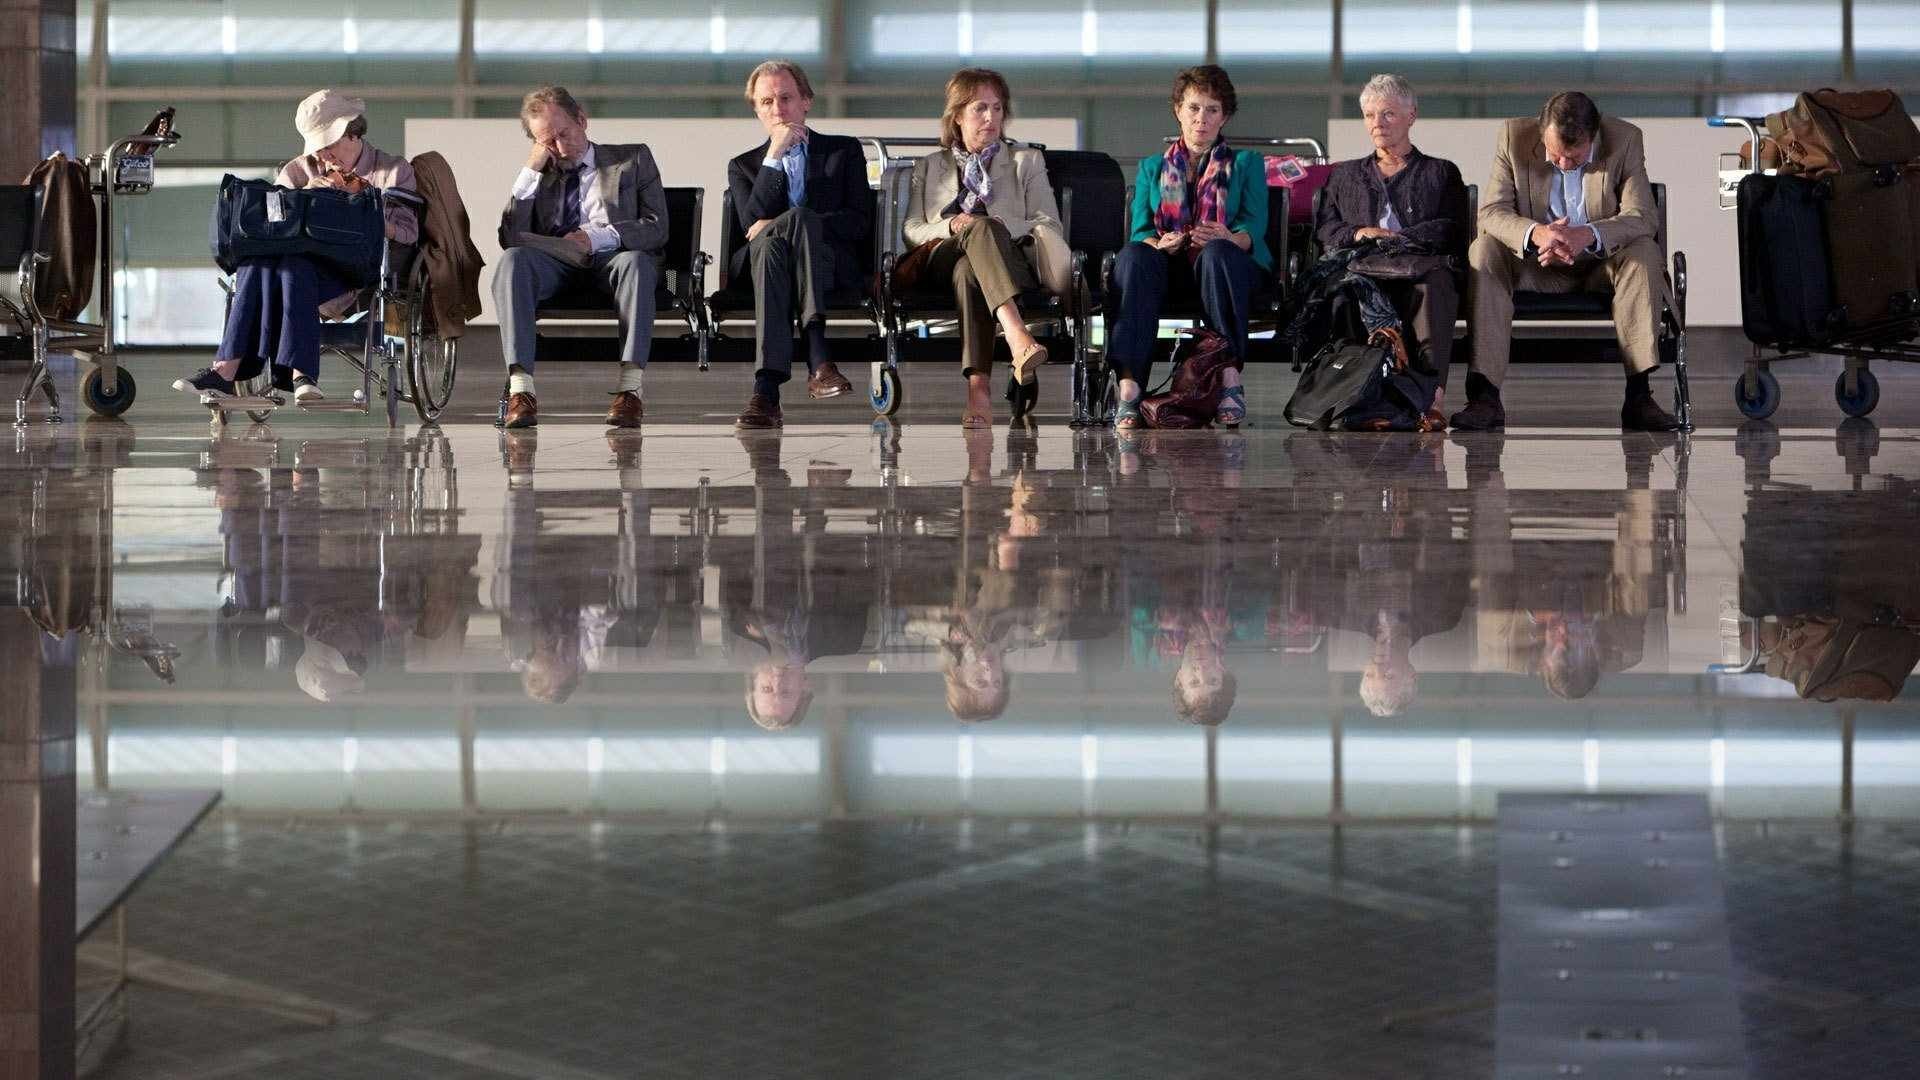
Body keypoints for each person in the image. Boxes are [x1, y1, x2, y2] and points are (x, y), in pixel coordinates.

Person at [175, 89, 417, 403]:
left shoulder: (393, 170)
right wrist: (309, 198)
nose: (323, 156)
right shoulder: (299, 170)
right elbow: (270, 229)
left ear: (352, 132)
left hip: (351, 274)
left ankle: (276, 372)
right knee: (256, 262)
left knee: (292, 266)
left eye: (328, 145)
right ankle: (233, 372)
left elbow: (408, 233)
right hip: (291, 272)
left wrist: (357, 209)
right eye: (318, 148)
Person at [1461, 91, 1680, 433]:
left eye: (1574, 156)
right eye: (1554, 154)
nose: (1562, 164)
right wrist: (1538, 234)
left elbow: (1642, 216)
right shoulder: (1513, 137)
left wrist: (1588, 234)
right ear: (1541, 133)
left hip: (1599, 266)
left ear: (1593, 136)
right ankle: (1484, 397)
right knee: (1484, 249)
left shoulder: (1625, 140)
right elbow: (1491, 213)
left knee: (1643, 253)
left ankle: (1639, 396)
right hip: (1534, 263)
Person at [1105, 65, 1271, 431]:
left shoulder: (1247, 163)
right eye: (1194, 107)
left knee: (1217, 253)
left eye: (1212, 110)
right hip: (1171, 269)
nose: (1202, 118)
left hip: (1227, 269)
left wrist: (1227, 237)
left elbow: (1253, 228)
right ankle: (1130, 385)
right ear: (1178, 110)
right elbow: (1141, 231)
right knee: (1133, 256)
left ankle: (1228, 377)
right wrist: (1160, 243)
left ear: (1224, 117)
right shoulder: (1152, 167)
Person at [495, 85, 670, 430]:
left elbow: (657, 227)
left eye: (564, 134)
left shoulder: (632, 159)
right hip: (556, 265)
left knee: (637, 263)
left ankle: (630, 390)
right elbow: (510, 236)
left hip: (613, 258)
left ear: (582, 120)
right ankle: (521, 391)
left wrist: (595, 238)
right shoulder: (539, 175)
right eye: (548, 142)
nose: (560, 148)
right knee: (513, 260)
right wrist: (530, 169)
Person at [902, 68, 1062, 428]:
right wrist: (951, 225)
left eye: (997, 108)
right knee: (970, 241)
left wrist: (997, 226)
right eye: (980, 108)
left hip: (1008, 260)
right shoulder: (930, 166)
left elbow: (1048, 223)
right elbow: (911, 230)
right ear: (957, 115)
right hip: (941, 259)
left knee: (970, 268)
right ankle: (1017, 336)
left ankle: (978, 390)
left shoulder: (1026, 161)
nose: (991, 117)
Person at [728, 60, 869, 430]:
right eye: (767, 102)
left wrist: (791, 222)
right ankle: (818, 357)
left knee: (789, 231)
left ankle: (765, 392)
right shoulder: (744, 166)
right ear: (757, 110)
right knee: (771, 250)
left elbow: (858, 221)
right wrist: (774, 157)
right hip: (760, 267)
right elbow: (749, 226)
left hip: (827, 264)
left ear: (806, 101)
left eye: (786, 98)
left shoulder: (843, 151)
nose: (777, 108)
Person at [1314, 74, 1469, 407]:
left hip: (1419, 267)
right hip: (1362, 266)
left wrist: (1397, 240)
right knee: (1342, 288)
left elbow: (1451, 228)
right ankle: (1350, 394)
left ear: (1411, 116)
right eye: (1370, 115)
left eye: (1388, 114)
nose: (1377, 123)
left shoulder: (1441, 172)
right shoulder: (1344, 175)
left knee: (1436, 284)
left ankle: (1431, 397)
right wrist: (1360, 233)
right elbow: (1326, 229)